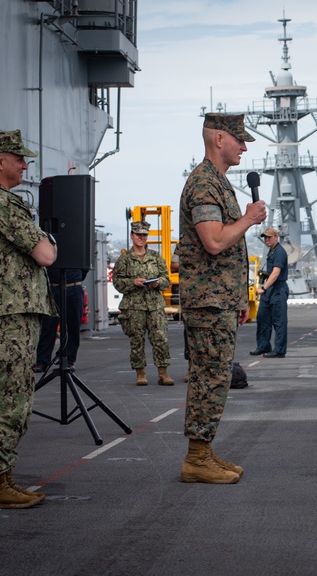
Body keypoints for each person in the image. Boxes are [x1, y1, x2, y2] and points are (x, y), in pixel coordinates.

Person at [0, 129, 57, 508]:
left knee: (12, 397)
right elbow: (46, 254)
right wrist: (49, 240)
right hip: (7, 317)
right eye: (19, 159)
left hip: (10, 314)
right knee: (6, 400)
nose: (25, 164)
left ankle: (1, 478)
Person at [177, 113, 266, 484]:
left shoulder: (220, 183)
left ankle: (203, 452)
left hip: (221, 300)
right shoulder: (203, 184)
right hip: (208, 302)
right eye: (239, 140)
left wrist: (239, 298)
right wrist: (248, 220)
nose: (244, 147)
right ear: (218, 139)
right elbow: (214, 241)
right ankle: (196, 458)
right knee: (209, 378)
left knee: (214, 378)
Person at [113, 220, 174, 386]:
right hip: (134, 306)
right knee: (137, 340)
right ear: (132, 236)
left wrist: (157, 283)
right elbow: (117, 282)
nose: (141, 238)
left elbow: (166, 280)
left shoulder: (155, 257)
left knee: (160, 338)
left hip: (155, 305)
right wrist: (133, 282)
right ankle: (140, 373)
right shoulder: (125, 259)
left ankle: (163, 372)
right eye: (138, 235)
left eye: (144, 235)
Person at [34, 266, 85, 372]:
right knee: (47, 325)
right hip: (52, 287)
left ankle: (68, 360)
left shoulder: (76, 249)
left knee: (73, 326)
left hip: (73, 286)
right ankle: (42, 360)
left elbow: (85, 266)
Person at [253, 227, 289, 359]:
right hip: (270, 289)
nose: (266, 239)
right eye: (265, 237)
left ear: (276, 237)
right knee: (262, 317)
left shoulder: (279, 252)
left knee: (279, 321)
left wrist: (263, 288)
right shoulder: (271, 251)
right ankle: (263, 346)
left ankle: (279, 350)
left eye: (269, 237)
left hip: (277, 289)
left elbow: (276, 273)